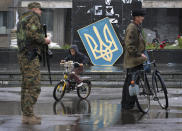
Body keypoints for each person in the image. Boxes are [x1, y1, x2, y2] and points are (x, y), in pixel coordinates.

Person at [17, 2, 51, 124]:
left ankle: (27, 114)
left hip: (23, 55)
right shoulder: (33, 17)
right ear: (35, 9)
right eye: (40, 10)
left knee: (26, 86)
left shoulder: (22, 18)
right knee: (34, 86)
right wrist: (45, 40)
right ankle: (28, 115)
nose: (41, 12)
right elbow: (32, 34)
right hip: (30, 56)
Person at [121, 9, 147, 110]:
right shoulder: (132, 28)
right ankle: (127, 105)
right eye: (141, 16)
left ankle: (128, 104)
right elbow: (129, 44)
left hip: (135, 60)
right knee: (131, 84)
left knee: (132, 83)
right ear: (136, 17)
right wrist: (139, 54)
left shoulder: (136, 27)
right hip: (133, 61)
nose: (143, 18)